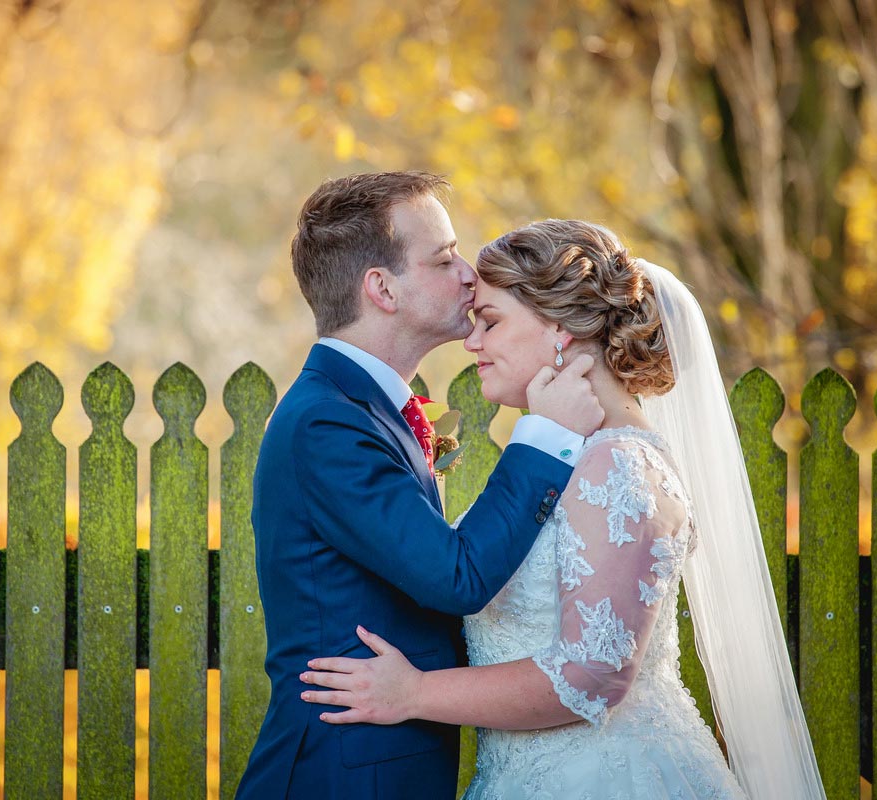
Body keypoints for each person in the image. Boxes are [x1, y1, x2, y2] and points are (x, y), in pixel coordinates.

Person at [299, 219, 827, 799]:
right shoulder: (566, 457)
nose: (472, 343)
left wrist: (414, 693)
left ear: (562, 330)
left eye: (492, 322)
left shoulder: (618, 466)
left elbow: (589, 679)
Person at [234, 176, 605, 800]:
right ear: (381, 289)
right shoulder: (327, 423)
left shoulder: (364, 408)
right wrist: (544, 436)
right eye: (443, 258)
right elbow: (454, 579)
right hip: (343, 775)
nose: (469, 274)